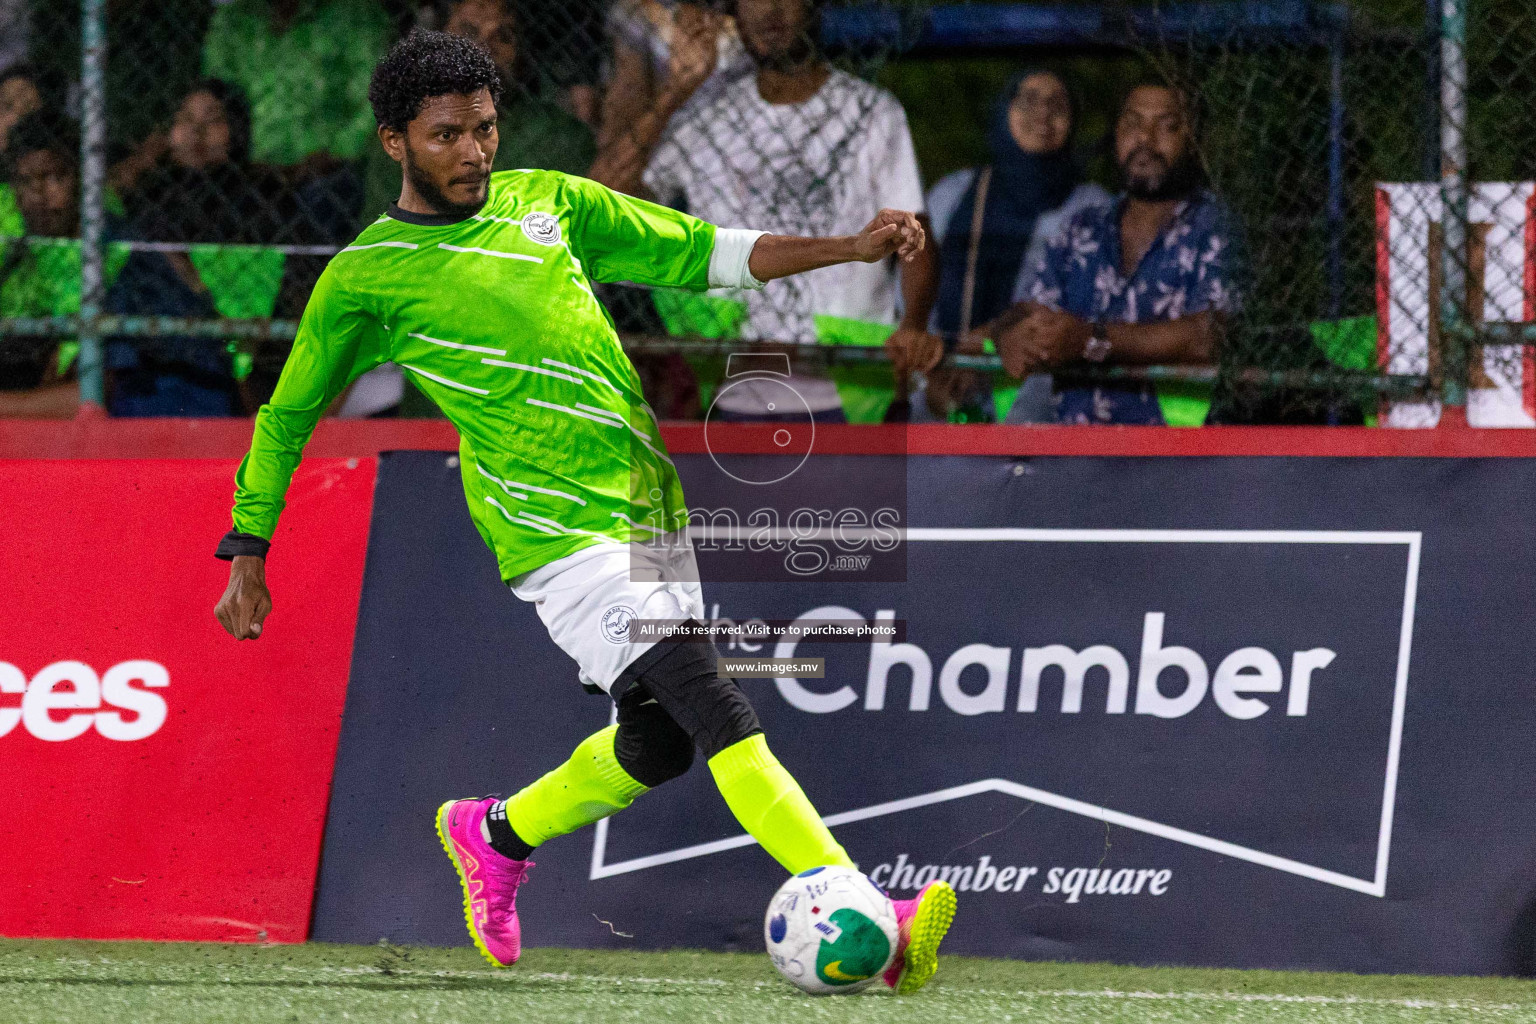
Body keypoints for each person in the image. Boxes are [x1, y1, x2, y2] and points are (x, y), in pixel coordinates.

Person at [210, 29, 956, 990]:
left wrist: (849, 247)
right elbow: (289, 412)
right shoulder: (366, 275)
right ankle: (862, 906)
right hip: (553, 535)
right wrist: (249, 541)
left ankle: (495, 832)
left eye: (483, 129)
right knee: (713, 698)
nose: (473, 152)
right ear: (394, 142)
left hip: (646, 510)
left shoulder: (548, 202)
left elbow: (703, 256)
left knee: (659, 744)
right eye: (446, 136)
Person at [591, 0, 941, 421]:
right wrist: (676, 89)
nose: (769, 11)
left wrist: (914, 325)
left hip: (850, 387)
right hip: (730, 384)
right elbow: (600, 201)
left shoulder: (871, 113)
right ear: (733, 14)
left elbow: (914, 233)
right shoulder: (706, 119)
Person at [991, 81, 1238, 424]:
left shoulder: (1217, 226)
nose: (1146, 140)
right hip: (1077, 459)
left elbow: (1211, 335)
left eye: (1167, 126)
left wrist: (1091, 340)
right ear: (1116, 134)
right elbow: (1029, 309)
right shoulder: (1083, 227)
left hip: (1181, 462)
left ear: (1194, 143)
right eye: (1133, 124)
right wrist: (1009, 332)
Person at [908, 69, 1109, 423]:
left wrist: (987, 339)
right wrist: (936, 369)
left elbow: (1089, 307)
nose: (1042, 114)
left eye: (1057, 104)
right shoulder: (954, 195)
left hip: (1042, 404)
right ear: (1004, 110)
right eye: (1029, 100)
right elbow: (912, 294)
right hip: (939, 391)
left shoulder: (1093, 208)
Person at [106, 80, 291, 417]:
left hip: (226, 336)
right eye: (185, 120)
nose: (197, 132)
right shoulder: (151, 192)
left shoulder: (260, 197)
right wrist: (144, 160)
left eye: (212, 120)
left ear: (236, 131)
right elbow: (103, 194)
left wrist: (194, 284)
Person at [0, 113, 85, 416]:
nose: (39, 194)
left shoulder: (105, 246)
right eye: (26, 181)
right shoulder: (10, 236)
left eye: (53, 177)